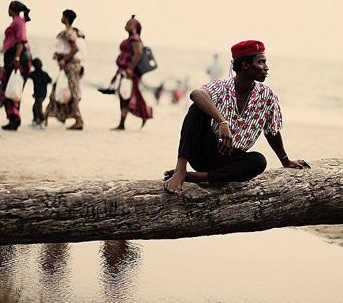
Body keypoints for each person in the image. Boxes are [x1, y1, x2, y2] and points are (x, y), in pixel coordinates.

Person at [164, 40, 310, 193]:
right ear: (245, 65)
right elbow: (196, 94)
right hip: (201, 152)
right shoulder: (222, 87)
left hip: (228, 161)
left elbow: (271, 132)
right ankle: (180, 170)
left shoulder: (267, 95)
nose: (266, 68)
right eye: (261, 62)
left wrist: (286, 161)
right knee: (197, 109)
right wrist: (222, 122)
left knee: (259, 161)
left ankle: (198, 177)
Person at [110, 15, 153, 130]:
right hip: (124, 72)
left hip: (130, 74)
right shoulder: (130, 39)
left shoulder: (135, 39)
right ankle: (122, 123)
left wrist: (130, 68)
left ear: (135, 28)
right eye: (127, 23)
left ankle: (142, 115)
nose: (126, 26)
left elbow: (138, 54)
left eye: (130, 24)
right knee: (125, 96)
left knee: (128, 96)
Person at [44, 9, 85, 130]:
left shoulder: (69, 33)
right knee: (60, 89)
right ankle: (46, 116)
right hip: (70, 66)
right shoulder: (71, 32)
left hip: (70, 67)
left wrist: (64, 60)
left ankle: (78, 119)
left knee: (71, 91)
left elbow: (75, 49)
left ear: (65, 18)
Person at [1, 0, 31, 131]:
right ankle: (13, 118)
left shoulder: (18, 22)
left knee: (12, 87)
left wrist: (17, 58)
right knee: (12, 86)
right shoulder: (18, 21)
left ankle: (14, 118)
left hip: (16, 57)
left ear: (11, 9)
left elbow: (20, 41)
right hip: (14, 56)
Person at [29, 58, 52, 128]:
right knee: (35, 107)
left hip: (38, 94)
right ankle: (36, 120)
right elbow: (50, 80)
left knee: (38, 108)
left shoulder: (34, 73)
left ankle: (42, 121)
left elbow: (27, 74)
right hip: (43, 93)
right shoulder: (44, 73)